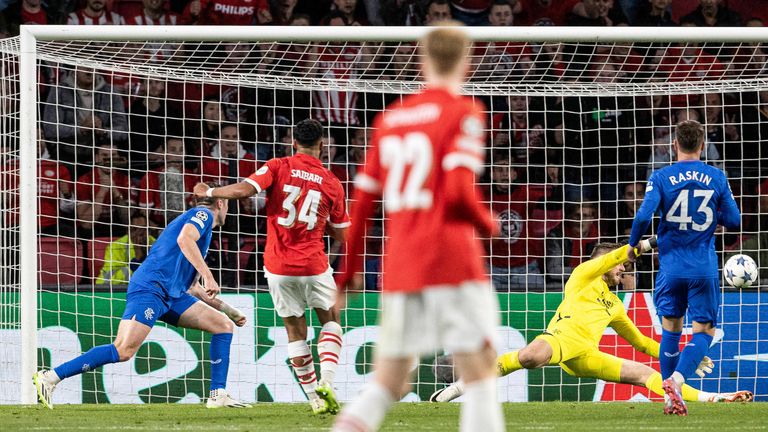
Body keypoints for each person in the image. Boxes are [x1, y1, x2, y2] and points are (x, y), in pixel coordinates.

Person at [332, 24, 503, 432]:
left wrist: (347, 273)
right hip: (452, 260)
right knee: (480, 374)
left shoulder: (389, 121)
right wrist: (488, 223)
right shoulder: (464, 111)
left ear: (422, 60)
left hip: (402, 264)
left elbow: (363, 208)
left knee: (387, 382)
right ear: (466, 60)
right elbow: (460, 192)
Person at [430, 242, 754, 405]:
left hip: (584, 355)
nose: (622, 270)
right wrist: (647, 244)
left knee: (647, 374)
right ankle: (460, 386)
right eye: (618, 265)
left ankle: (714, 398)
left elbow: (641, 342)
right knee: (530, 357)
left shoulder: (614, 305)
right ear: (603, 263)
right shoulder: (583, 276)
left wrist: (686, 358)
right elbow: (613, 259)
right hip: (559, 338)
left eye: (623, 266)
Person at [33, 186, 250, 409]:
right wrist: (209, 274)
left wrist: (229, 310)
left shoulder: (204, 235)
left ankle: (218, 394)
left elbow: (192, 287)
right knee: (123, 350)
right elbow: (185, 240)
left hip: (172, 295)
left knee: (223, 325)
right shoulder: (201, 215)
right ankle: (50, 377)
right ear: (222, 203)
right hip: (151, 288)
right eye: (228, 205)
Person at [193, 119, 349, 415]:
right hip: (313, 263)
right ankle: (327, 383)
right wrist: (320, 221)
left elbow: (243, 190)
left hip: (278, 266)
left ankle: (314, 399)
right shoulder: (331, 181)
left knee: (294, 331)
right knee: (330, 320)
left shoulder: (278, 166)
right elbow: (342, 233)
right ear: (322, 145)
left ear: (293, 143)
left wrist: (210, 193)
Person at [628, 119, 741, 416]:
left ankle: (668, 397)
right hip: (703, 267)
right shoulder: (717, 176)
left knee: (671, 330)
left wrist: (632, 245)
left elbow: (642, 217)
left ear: (674, 145)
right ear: (702, 146)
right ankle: (677, 381)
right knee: (704, 330)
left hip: (670, 268)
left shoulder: (661, 175)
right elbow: (735, 222)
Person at [95, 212, 157, 285]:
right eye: (135, 229)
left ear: (149, 231)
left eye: (143, 229)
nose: (139, 233)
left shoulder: (157, 245)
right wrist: (135, 261)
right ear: (128, 231)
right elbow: (104, 280)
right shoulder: (116, 247)